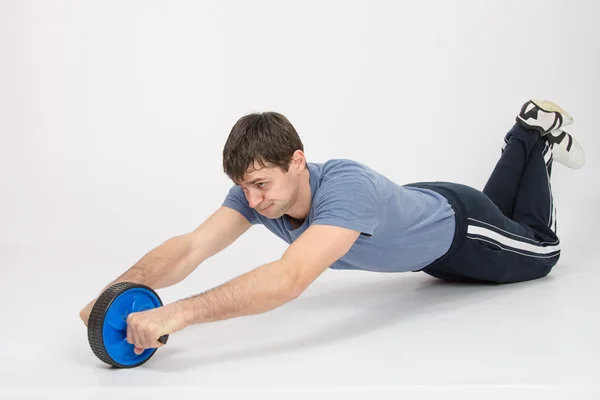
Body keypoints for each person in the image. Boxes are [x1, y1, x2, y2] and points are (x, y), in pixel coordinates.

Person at [80, 99, 585, 355]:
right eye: (244, 187)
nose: (252, 200)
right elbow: (191, 247)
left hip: (461, 231)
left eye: (260, 184)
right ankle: (523, 130)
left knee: (540, 250)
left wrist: (178, 315)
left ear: (297, 161)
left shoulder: (345, 191)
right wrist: (116, 292)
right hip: (427, 227)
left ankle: (538, 142)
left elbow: (289, 278)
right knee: (503, 209)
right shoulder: (258, 194)